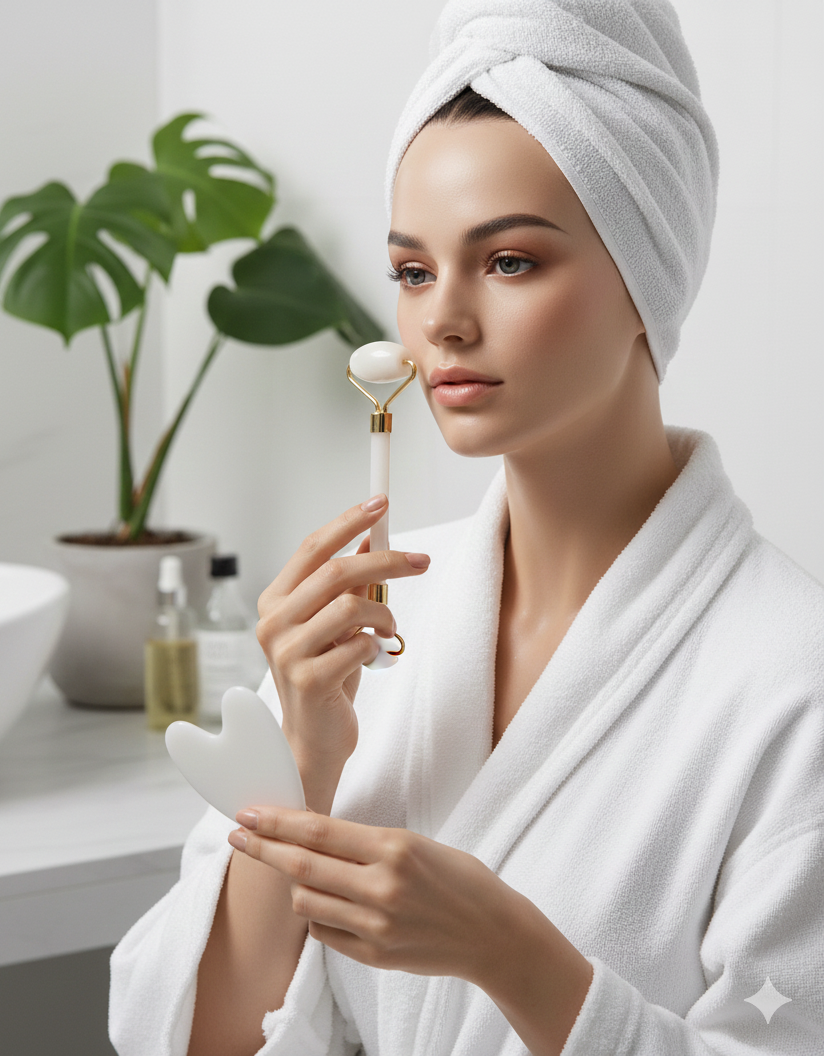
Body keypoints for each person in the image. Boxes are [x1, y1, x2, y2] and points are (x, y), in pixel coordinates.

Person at [108, 2, 824, 1054]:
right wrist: (297, 761)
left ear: (647, 275)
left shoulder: (789, 677)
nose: (439, 317)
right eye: (410, 270)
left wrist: (510, 954)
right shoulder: (367, 628)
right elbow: (197, 1041)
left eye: (509, 261)